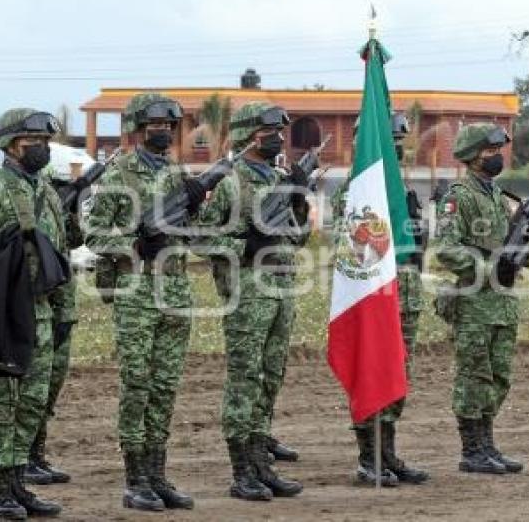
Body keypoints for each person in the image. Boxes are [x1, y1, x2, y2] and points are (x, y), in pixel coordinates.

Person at [0, 108, 74, 518]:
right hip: (3, 315)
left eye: (45, 141)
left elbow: (59, 256)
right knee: (0, 405)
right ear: (10, 144)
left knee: (32, 405)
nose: (42, 148)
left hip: (41, 314)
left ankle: (19, 483)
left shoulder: (47, 191)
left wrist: (64, 314)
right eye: (32, 141)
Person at [85, 93, 194, 511]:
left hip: (175, 289)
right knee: (138, 384)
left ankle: (157, 475)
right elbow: (94, 232)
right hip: (136, 293)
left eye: (169, 125)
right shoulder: (118, 175)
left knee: (165, 386)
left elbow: (188, 230)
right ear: (137, 129)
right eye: (155, 126)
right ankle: (135, 481)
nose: (163, 131)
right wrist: (133, 242)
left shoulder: (173, 171)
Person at [199, 101, 306, 501]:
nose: (278, 136)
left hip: (281, 290)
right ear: (248, 135)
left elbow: (297, 238)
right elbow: (201, 238)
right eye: (269, 130)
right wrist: (245, 245)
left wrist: (298, 200)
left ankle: (262, 463)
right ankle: (242, 470)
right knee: (245, 381)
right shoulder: (228, 181)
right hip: (247, 294)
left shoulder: (278, 178)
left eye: (280, 129)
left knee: (270, 378)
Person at [330, 112, 428, 486]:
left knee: (397, 373)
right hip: (373, 295)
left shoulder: (401, 190)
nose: (397, 148)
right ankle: (368, 458)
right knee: (371, 368)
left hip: (405, 295)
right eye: (390, 141)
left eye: (399, 141)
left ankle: (387, 453)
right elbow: (356, 251)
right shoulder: (355, 192)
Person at [433, 123, 527, 476]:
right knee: (474, 376)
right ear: (473, 155)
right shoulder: (460, 196)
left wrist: (519, 251)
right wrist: (490, 269)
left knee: (499, 376)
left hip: (502, 301)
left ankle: (488, 445)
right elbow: (445, 249)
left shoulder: (496, 194)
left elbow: (506, 247)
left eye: (498, 150)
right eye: (490, 151)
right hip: (474, 301)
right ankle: (471, 450)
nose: (496, 156)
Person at [23, 169, 84, 486]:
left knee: (51, 383)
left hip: (63, 308)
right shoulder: (28, 201)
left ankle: (36, 454)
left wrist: (70, 208)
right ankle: (21, 459)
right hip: (38, 306)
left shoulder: (56, 208)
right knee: (33, 387)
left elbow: (75, 240)